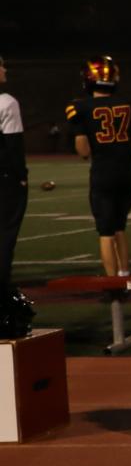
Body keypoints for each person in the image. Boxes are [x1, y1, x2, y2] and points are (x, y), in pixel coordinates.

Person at [66, 56, 131, 284]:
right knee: (120, 226)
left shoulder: (80, 106)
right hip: (128, 171)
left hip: (103, 172)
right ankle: (126, 275)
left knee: (106, 231)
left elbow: (82, 150)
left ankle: (113, 282)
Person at [0, 55, 25, 291]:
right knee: (6, 232)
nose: (4, 69)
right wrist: (21, 176)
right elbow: (13, 145)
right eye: (1, 65)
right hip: (5, 178)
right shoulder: (7, 102)